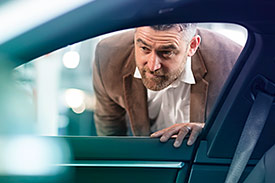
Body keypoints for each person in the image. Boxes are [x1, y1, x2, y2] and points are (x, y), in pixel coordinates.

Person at [92, 23, 242, 147]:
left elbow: (247, 131)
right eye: (144, 48)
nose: (152, 66)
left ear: (192, 46)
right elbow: (110, 132)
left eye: (166, 52)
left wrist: (207, 130)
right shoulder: (108, 56)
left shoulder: (232, 62)